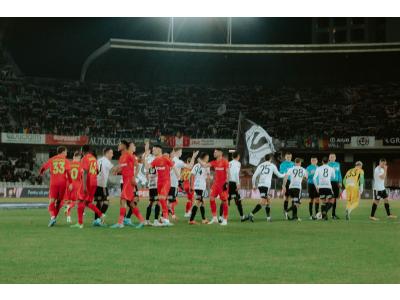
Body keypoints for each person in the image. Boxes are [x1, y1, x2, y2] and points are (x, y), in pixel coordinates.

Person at [70, 145, 106, 229]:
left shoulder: (85, 158)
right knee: (87, 202)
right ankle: (101, 215)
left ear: (82, 151)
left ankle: (80, 223)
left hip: (88, 182)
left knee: (80, 201)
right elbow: (97, 171)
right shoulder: (93, 158)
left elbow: (85, 172)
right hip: (94, 182)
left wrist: (85, 186)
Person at [111, 141, 144, 229]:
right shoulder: (122, 157)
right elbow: (123, 169)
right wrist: (116, 171)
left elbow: (138, 166)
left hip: (129, 180)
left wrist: (134, 177)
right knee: (131, 203)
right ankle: (141, 220)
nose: (118, 145)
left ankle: (120, 223)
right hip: (125, 180)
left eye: (120, 144)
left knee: (123, 200)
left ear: (124, 146)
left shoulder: (130, 155)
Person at [145, 144, 178, 226]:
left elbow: (173, 167)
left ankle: (166, 218)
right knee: (161, 200)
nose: (153, 151)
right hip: (158, 183)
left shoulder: (165, 158)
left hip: (166, 182)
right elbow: (148, 168)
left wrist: (179, 177)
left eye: (154, 149)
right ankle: (164, 218)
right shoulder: (155, 160)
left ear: (159, 150)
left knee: (162, 198)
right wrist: (145, 158)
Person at [39, 146, 71, 227]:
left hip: (54, 183)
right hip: (63, 183)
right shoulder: (66, 160)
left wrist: (41, 173)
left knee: (52, 201)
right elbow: (68, 172)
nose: (66, 153)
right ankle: (54, 218)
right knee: (59, 202)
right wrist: (70, 182)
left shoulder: (52, 159)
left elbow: (43, 167)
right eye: (66, 151)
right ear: (63, 152)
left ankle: (52, 217)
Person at [248, 154, 285, 222]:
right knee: (263, 202)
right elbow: (279, 175)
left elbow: (254, 176)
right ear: (270, 159)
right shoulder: (272, 165)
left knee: (268, 201)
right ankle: (251, 214)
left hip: (260, 185)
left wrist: (253, 185)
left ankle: (268, 218)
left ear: (265, 159)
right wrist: (285, 174)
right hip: (266, 185)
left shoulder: (260, 165)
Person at [198, 148, 230, 225]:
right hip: (215, 184)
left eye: (215, 152)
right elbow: (205, 165)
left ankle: (225, 219)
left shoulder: (225, 162)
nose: (214, 153)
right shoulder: (214, 162)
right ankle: (215, 217)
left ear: (220, 152)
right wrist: (198, 158)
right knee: (211, 198)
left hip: (223, 185)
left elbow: (228, 173)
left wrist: (226, 183)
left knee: (224, 201)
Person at [168, 148, 198, 220]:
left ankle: (167, 216)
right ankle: (165, 217)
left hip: (167, 183)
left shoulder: (170, 160)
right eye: (181, 151)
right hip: (173, 184)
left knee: (169, 201)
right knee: (171, 202)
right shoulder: (178, 161)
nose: (181, 153)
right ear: (177, 152)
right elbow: (190, 166)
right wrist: (193, 157)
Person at [188, 152, 211, 224]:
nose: (208, 159)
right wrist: (208, 187)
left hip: (199, 187)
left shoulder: (197, 165)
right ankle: (191, 220)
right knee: (198, 202)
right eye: (207, 157)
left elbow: (192, 175)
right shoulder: (206, 166)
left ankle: (203, 219)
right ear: (204, 158)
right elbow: (207, 178)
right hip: (200, 187)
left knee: (202, 202)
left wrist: (192, 185)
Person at [94, 147, 113, 221]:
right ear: (107, 153)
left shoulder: (98, 160)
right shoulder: (107, 161)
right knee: (106, 201)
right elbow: (114, 170)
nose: (112, 155)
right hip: (102, 185)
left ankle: (96, 220)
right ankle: (100, 218)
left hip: (96, 183)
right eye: (111, 153)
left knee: (99, 202)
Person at [64, 151, 82, 224]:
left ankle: (68, 218)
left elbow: (65, 175)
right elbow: (82, 175)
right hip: (77, 185)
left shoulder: (68, 164)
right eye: (79, 158)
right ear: (78, 157)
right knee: (76, 201)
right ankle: (68, 208)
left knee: (68, 201)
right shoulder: (80, 165)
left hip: (69, 184)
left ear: (73, 157)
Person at [279, 152, 295, 219]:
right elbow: (282, 174)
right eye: (287, 157)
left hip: (293, 182)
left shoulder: (293, 164)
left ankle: (294, 214)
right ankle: (285, 212)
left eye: (290, 157)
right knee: (287, 198)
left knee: (294, 198)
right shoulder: (282, 164)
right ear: (285, 157)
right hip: (286, 182)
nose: (289, 158)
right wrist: (284, 185)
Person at [328, 153, 342, 219]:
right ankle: (324, 212)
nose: (332, 158)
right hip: (328, 183)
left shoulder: (337, 164)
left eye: (333, 157)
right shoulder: (327, 165)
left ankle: (333, 214)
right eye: (331, 157)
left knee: (335, 199)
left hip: (336, 183)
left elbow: (339, 173)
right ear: (329, 158)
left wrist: (340, 182)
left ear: (335, 158)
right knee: (328, 198)